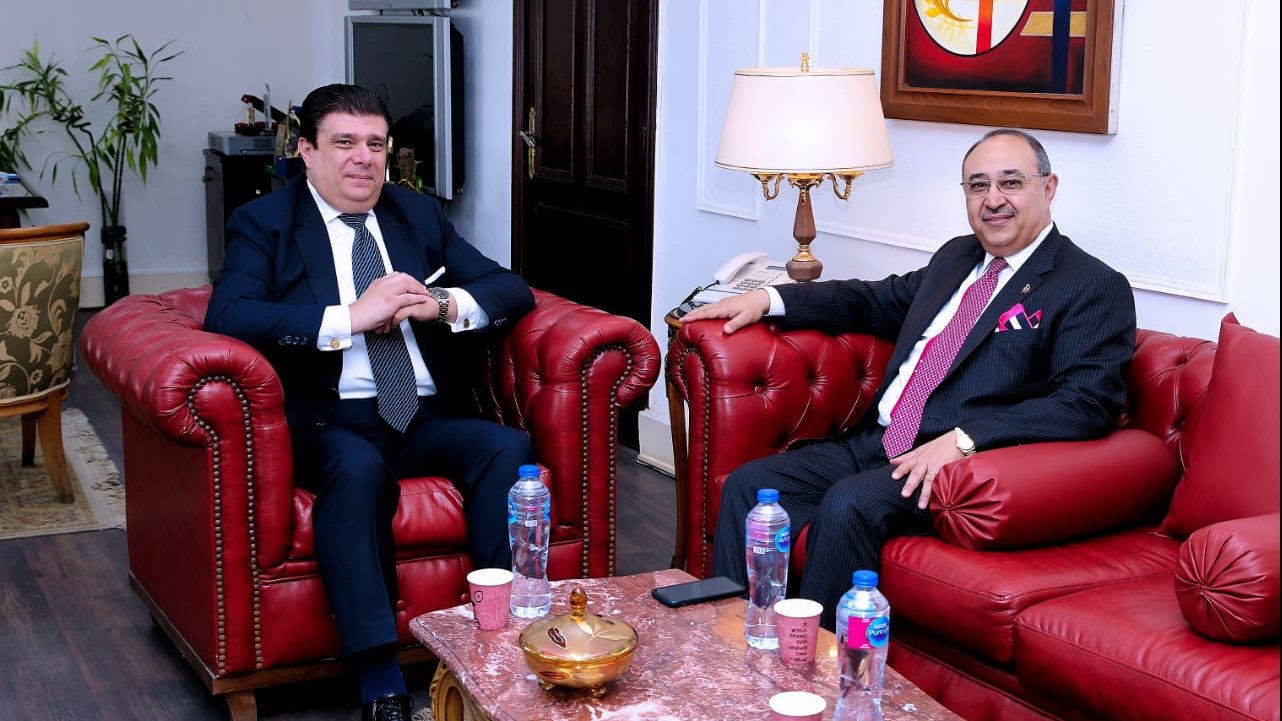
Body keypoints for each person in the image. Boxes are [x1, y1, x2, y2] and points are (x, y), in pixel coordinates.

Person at [680, 129, 1136, 629]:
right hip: (876, 442)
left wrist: (963, 441)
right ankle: (735, 644)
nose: (993, 199)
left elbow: (1085, 402)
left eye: (1011, 182)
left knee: (850, 503)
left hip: (950, 466)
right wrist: (769, 299)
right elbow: (875, 300)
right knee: (751, 485)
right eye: (978, 185)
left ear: (1048, 188)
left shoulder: (1091, 285)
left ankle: (818, 665)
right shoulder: (958, 257)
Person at [205, 84, 534, 721]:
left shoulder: (418, 215)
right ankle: (380, 682)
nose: (363, 158)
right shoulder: (265, 222)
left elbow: (509, 287)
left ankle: (503, 642)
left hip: (423, 413)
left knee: (507, 448)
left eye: (376, 145)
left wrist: (441, 305)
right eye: (344, 143)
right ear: (307, 151)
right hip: (329, 418)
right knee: (358, 472)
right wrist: (349, 318)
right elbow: (230, 314)